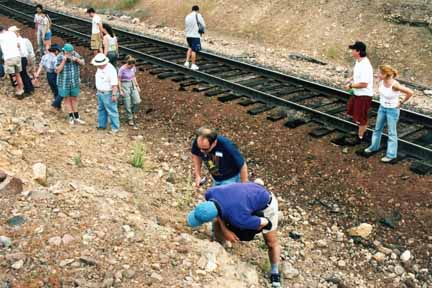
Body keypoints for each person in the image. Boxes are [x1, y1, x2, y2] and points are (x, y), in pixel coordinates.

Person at [187, 181, 281, 288]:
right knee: (220, 222)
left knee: (271, 242)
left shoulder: (239, 218)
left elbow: (264, 222)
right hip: (247, 192)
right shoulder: (210, 193)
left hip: (266, 204)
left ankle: (275, 271)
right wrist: (226, 230)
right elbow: (218, 215)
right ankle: (219, 246)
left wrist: (262, 224)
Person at [364, 65, 414, 163]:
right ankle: (374, 147)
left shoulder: (395, 85)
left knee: (391, 132)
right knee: (377, 129)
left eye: (379, 73)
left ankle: (391, 155)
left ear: (385, 74)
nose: (377, 74)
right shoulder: (381, 82)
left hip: (392, 110)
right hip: (382, 108)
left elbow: (410, 92)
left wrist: (401, 102)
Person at [343, 41, 374, 144]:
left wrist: (350, 85)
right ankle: (360, 132)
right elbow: (357, 74)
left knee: (361, 118)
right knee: (352, 111)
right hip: (357, 94)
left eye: (353, 50)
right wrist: (351, 78)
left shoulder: (365, 65)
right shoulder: (358, 61)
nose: (351, 51)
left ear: (358, 51)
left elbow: (364, 84)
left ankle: (360, 137)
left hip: (364, 95)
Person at [55, 43, 85, 124]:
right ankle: (71, 117)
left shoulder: (75, 54)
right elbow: (57, 70)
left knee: (74, 98)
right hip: (64, 82)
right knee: (67, 99)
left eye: (71, 52)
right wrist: (64, 61)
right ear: (64, 51)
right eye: (69, 52)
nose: (70, 54)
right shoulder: (59, 57)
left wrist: (77, 60)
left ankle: (77, 116)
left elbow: (83, 63)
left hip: (74, 81)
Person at [92, 53, 120, 133]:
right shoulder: (99, 68)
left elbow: (114, 84)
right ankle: (102, 125)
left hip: (108, 93)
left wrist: (114, 95)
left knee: (112, 110)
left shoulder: (111, 70)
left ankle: (115, 128)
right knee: (101, 109)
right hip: (100, 92)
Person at [34, 44, 62, 110]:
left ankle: (58, 107)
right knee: (60, 92)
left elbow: (40, 66)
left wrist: (37, 75)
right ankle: (55, 104)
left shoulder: (44, 56)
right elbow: (56, 69)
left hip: (48, 75)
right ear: (56, 51)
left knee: (54, 91)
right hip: (55, 75)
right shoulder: (55, 58)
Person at [9, 26, 35, 96]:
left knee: (23, 74)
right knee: (24, 74)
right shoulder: (21, 40)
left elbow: (22, 52)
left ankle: (28, 90)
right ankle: (30, 88)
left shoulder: (18, 41)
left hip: (21, 58)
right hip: (22, 58)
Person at [0, 25, 24, 97]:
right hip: (17, 56)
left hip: (9, 58)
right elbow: (18, 45)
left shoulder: (0, 37)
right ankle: (22, 90)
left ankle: (17, 91)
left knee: (12, 75)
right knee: (18, 74)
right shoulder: (12, 34)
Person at [118, 56, 141, 127]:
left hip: (132, 84)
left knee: (137, 101)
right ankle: (130, 118)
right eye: (131, 66)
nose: (132, 67)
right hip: (124, 84)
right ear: (127, 64)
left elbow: (133, 77)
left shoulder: (133, 68)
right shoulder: (122, 69)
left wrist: (137, 86)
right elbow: (118, 80)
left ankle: (134, 112)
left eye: (133, 66)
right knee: (127, 102)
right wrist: (120, 89)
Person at [184, 5, 205, 71]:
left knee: (190, 48)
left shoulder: (187, 16)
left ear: (192, 9)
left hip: (188, 35)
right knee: (194, 50)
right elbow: (203, 25)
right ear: (197, 10)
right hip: (195, 35)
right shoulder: (198, 15)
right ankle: (193, 65)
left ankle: (186, 62)